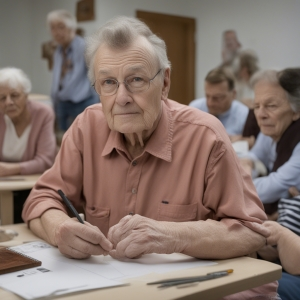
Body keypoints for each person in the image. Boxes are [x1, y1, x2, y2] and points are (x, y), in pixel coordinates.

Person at [22, 16, 278, 299]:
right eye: (108, 82)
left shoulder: (206, 136)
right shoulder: (86, 127)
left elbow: (252, 231)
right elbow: (41, 199)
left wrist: (172, 235)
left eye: (136, 80)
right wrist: (59, 228)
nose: (122, 98)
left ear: (165, 81)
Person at [240, 68, 300, 215]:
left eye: (271, 106)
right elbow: (254, 156)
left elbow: (276, 187)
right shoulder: (272, 128)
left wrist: (237, 183)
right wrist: (248, 163)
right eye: (256, 106)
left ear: (296, 110)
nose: (260, 115)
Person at [0, 67, 56, 222]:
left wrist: (11, 169)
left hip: (33, 188)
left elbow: (45, 161)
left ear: (26, 95)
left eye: (15, 95)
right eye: (2, 98)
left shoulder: (43, 114)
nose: (8, 102)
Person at [47, 9, 99, 132]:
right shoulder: (58, 51)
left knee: (84, 141)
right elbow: (57, 79)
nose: (56, 32)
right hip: (61, 103)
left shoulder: (85, 47)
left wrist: (97, 105)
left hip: (82, 103)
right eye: (52, 28)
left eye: (61, 27)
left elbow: (95, 76)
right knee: (65, 142)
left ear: (72, 28)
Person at [189, 68, 249, 137]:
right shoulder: (195, 109)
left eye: (217, 98)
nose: (210, 103)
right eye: (207, 96)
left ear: (233, 94)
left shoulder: (244, 115)